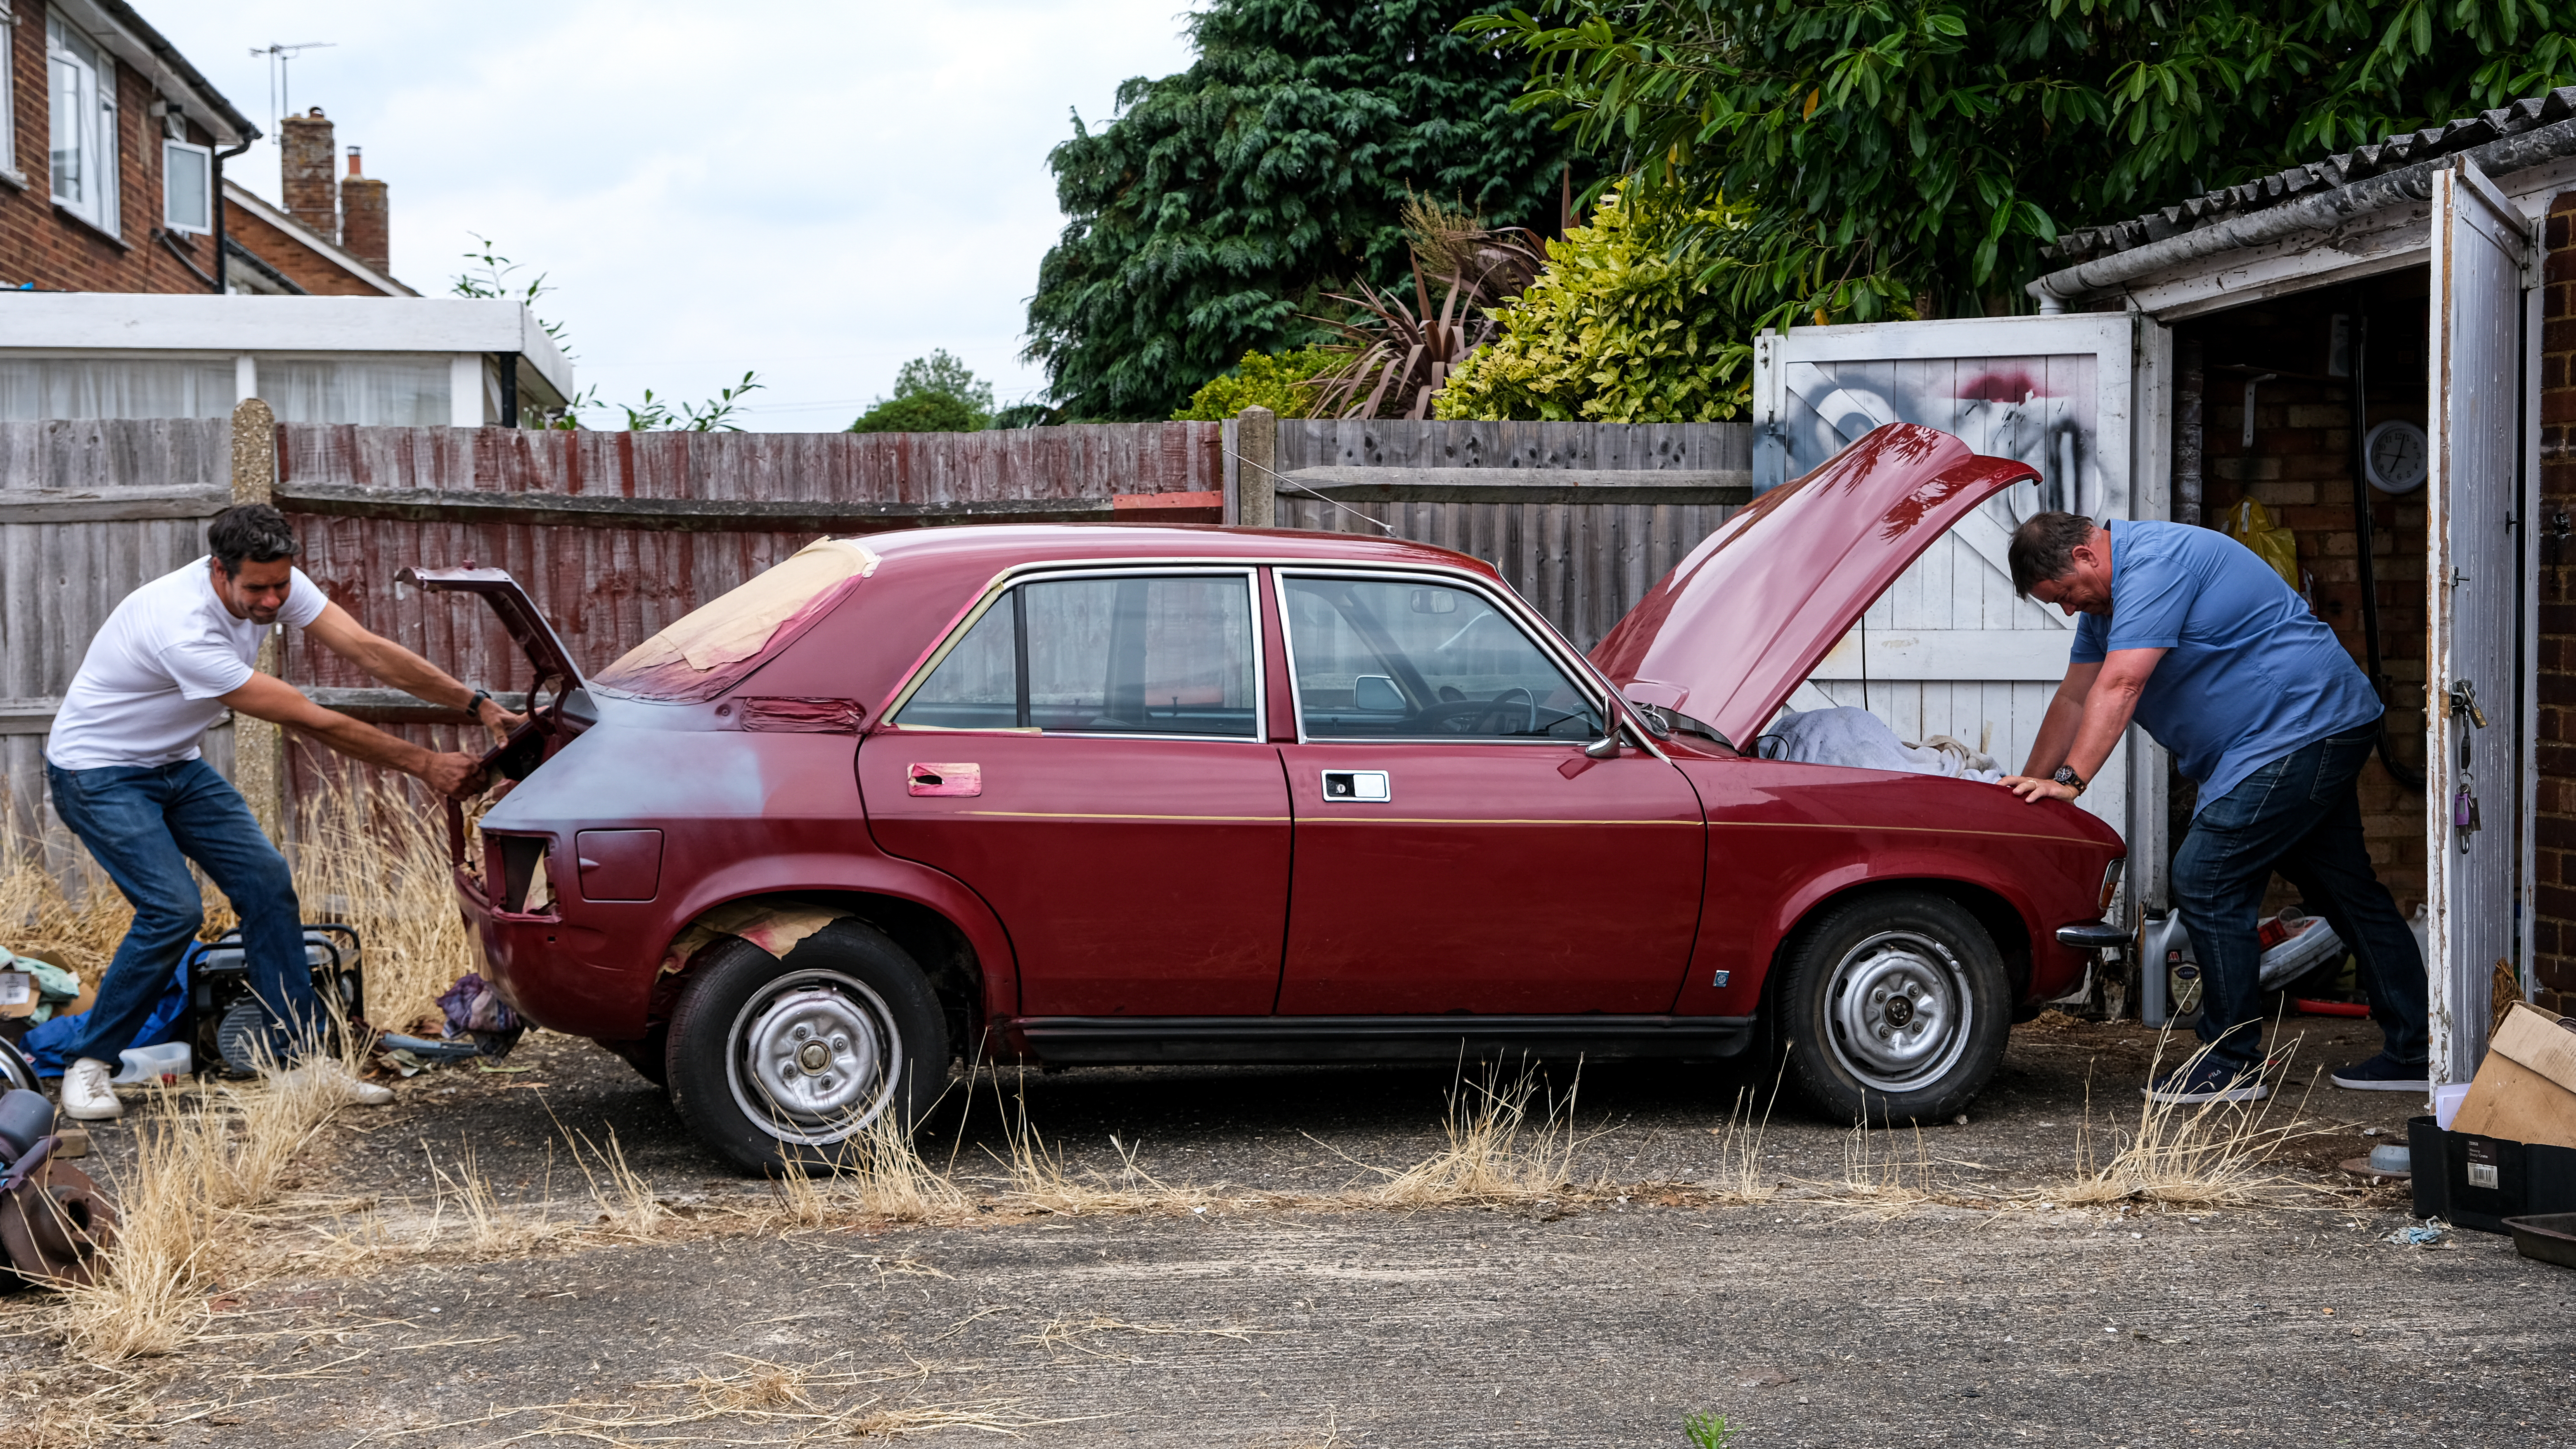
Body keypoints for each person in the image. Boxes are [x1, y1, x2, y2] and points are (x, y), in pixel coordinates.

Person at [43, 504, 519, 1121]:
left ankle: (299, 1064)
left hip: (174, 763)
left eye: (281, 586)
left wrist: (478, 704)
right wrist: (426, 765)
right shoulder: (181, 629)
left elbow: (369, 650)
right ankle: (88, 1063)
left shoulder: (274, 580)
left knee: (267, 884)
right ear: (219, 571)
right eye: (257, 589)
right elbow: (308, 717)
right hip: (98, 771)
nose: (272, 601)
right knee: (173, 911)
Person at [1999, 511, 2427, 1104]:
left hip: (2300, 728)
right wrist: (2032, 785)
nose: (2070, 611)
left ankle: (2231, 1062)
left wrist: (2072, 780)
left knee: (2207, 875)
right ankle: (2417, 1050)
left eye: (2066, 596)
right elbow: (2076, 696)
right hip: (2291, 734)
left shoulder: (2153, 566)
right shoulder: (2106, 604)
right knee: (2344, 890)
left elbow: (2121, 684)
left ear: (2084, 557)